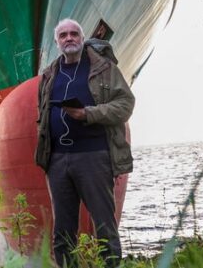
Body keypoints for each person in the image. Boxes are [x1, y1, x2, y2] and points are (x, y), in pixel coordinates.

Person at [34, 18, 134, 267]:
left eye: (74, 34)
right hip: (58, 161)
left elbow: (125, 104)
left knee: (104, 225)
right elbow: (42, 116)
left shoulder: (104, 68)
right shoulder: (48, 75)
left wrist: (88, 113)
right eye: (64, 35)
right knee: (63, 231)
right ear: (57, 42)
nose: (69, 38)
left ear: (82, 38)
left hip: (94, 157)